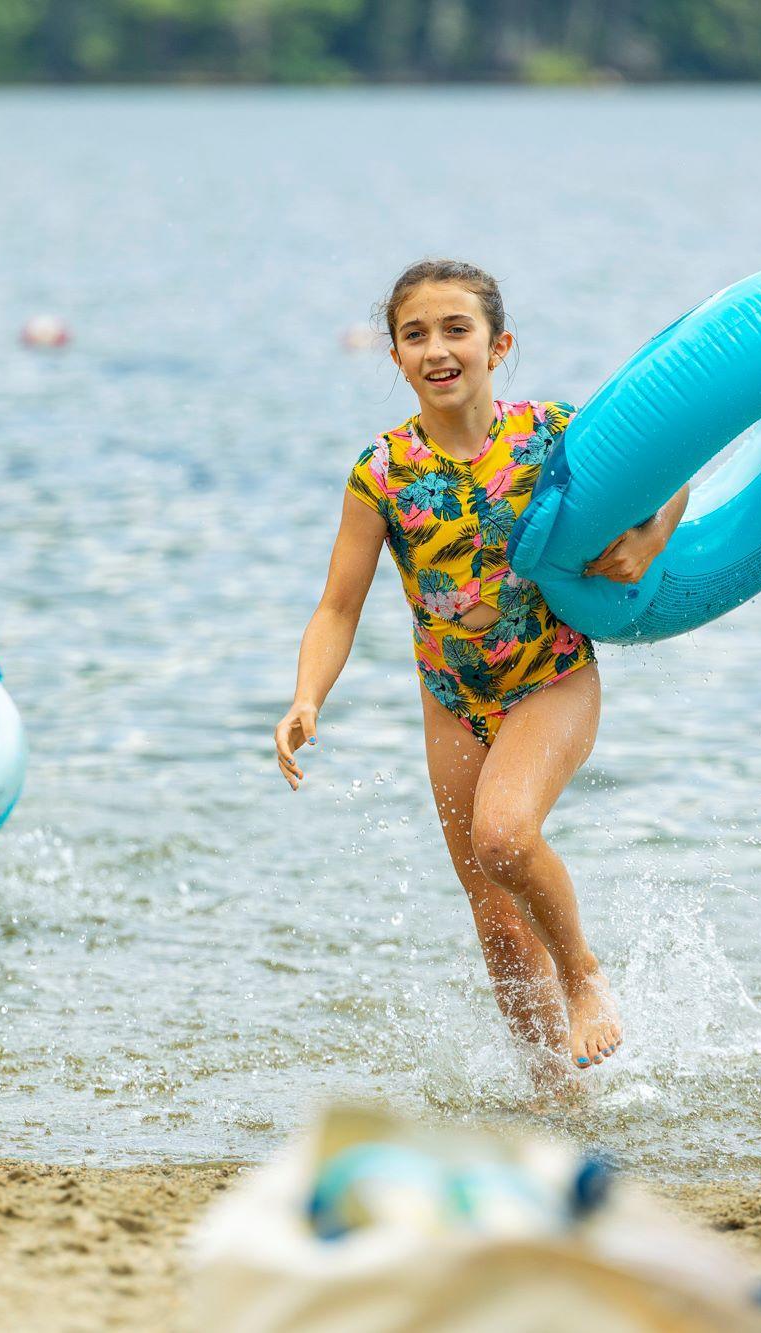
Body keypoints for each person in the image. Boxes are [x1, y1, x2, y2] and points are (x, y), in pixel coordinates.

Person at [273, 260, 687, 1084]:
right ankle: (552, 1094)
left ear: (499, 345)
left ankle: (584, 976)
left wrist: (650, 539)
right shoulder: (380, 473)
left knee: (503, 836)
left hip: (553, 675)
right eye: (415, 334)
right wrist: (306, 697)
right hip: (452, 699)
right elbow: (338, 606)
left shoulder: (555, 436)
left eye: (456, 329)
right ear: (393, 355)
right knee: (495, 918)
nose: (437, 348)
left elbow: (669, 473)